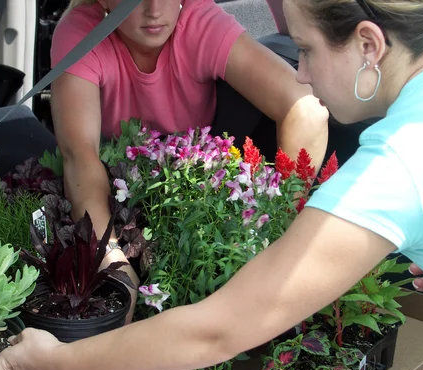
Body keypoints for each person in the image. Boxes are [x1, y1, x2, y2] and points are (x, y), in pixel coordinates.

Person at [0, 0, 423, 370]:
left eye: (304, 49)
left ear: (369, 44)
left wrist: (55, 361)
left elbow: (216, 332)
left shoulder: (399, 164)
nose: (299, 74)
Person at [50, 0, 330, 323]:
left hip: (197, 209)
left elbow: (306, 111)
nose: (154, 9)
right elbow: (79, 156)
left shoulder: (198, 22)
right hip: (115, 209)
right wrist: (114, 266)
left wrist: (275, 238)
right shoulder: (82, 32)